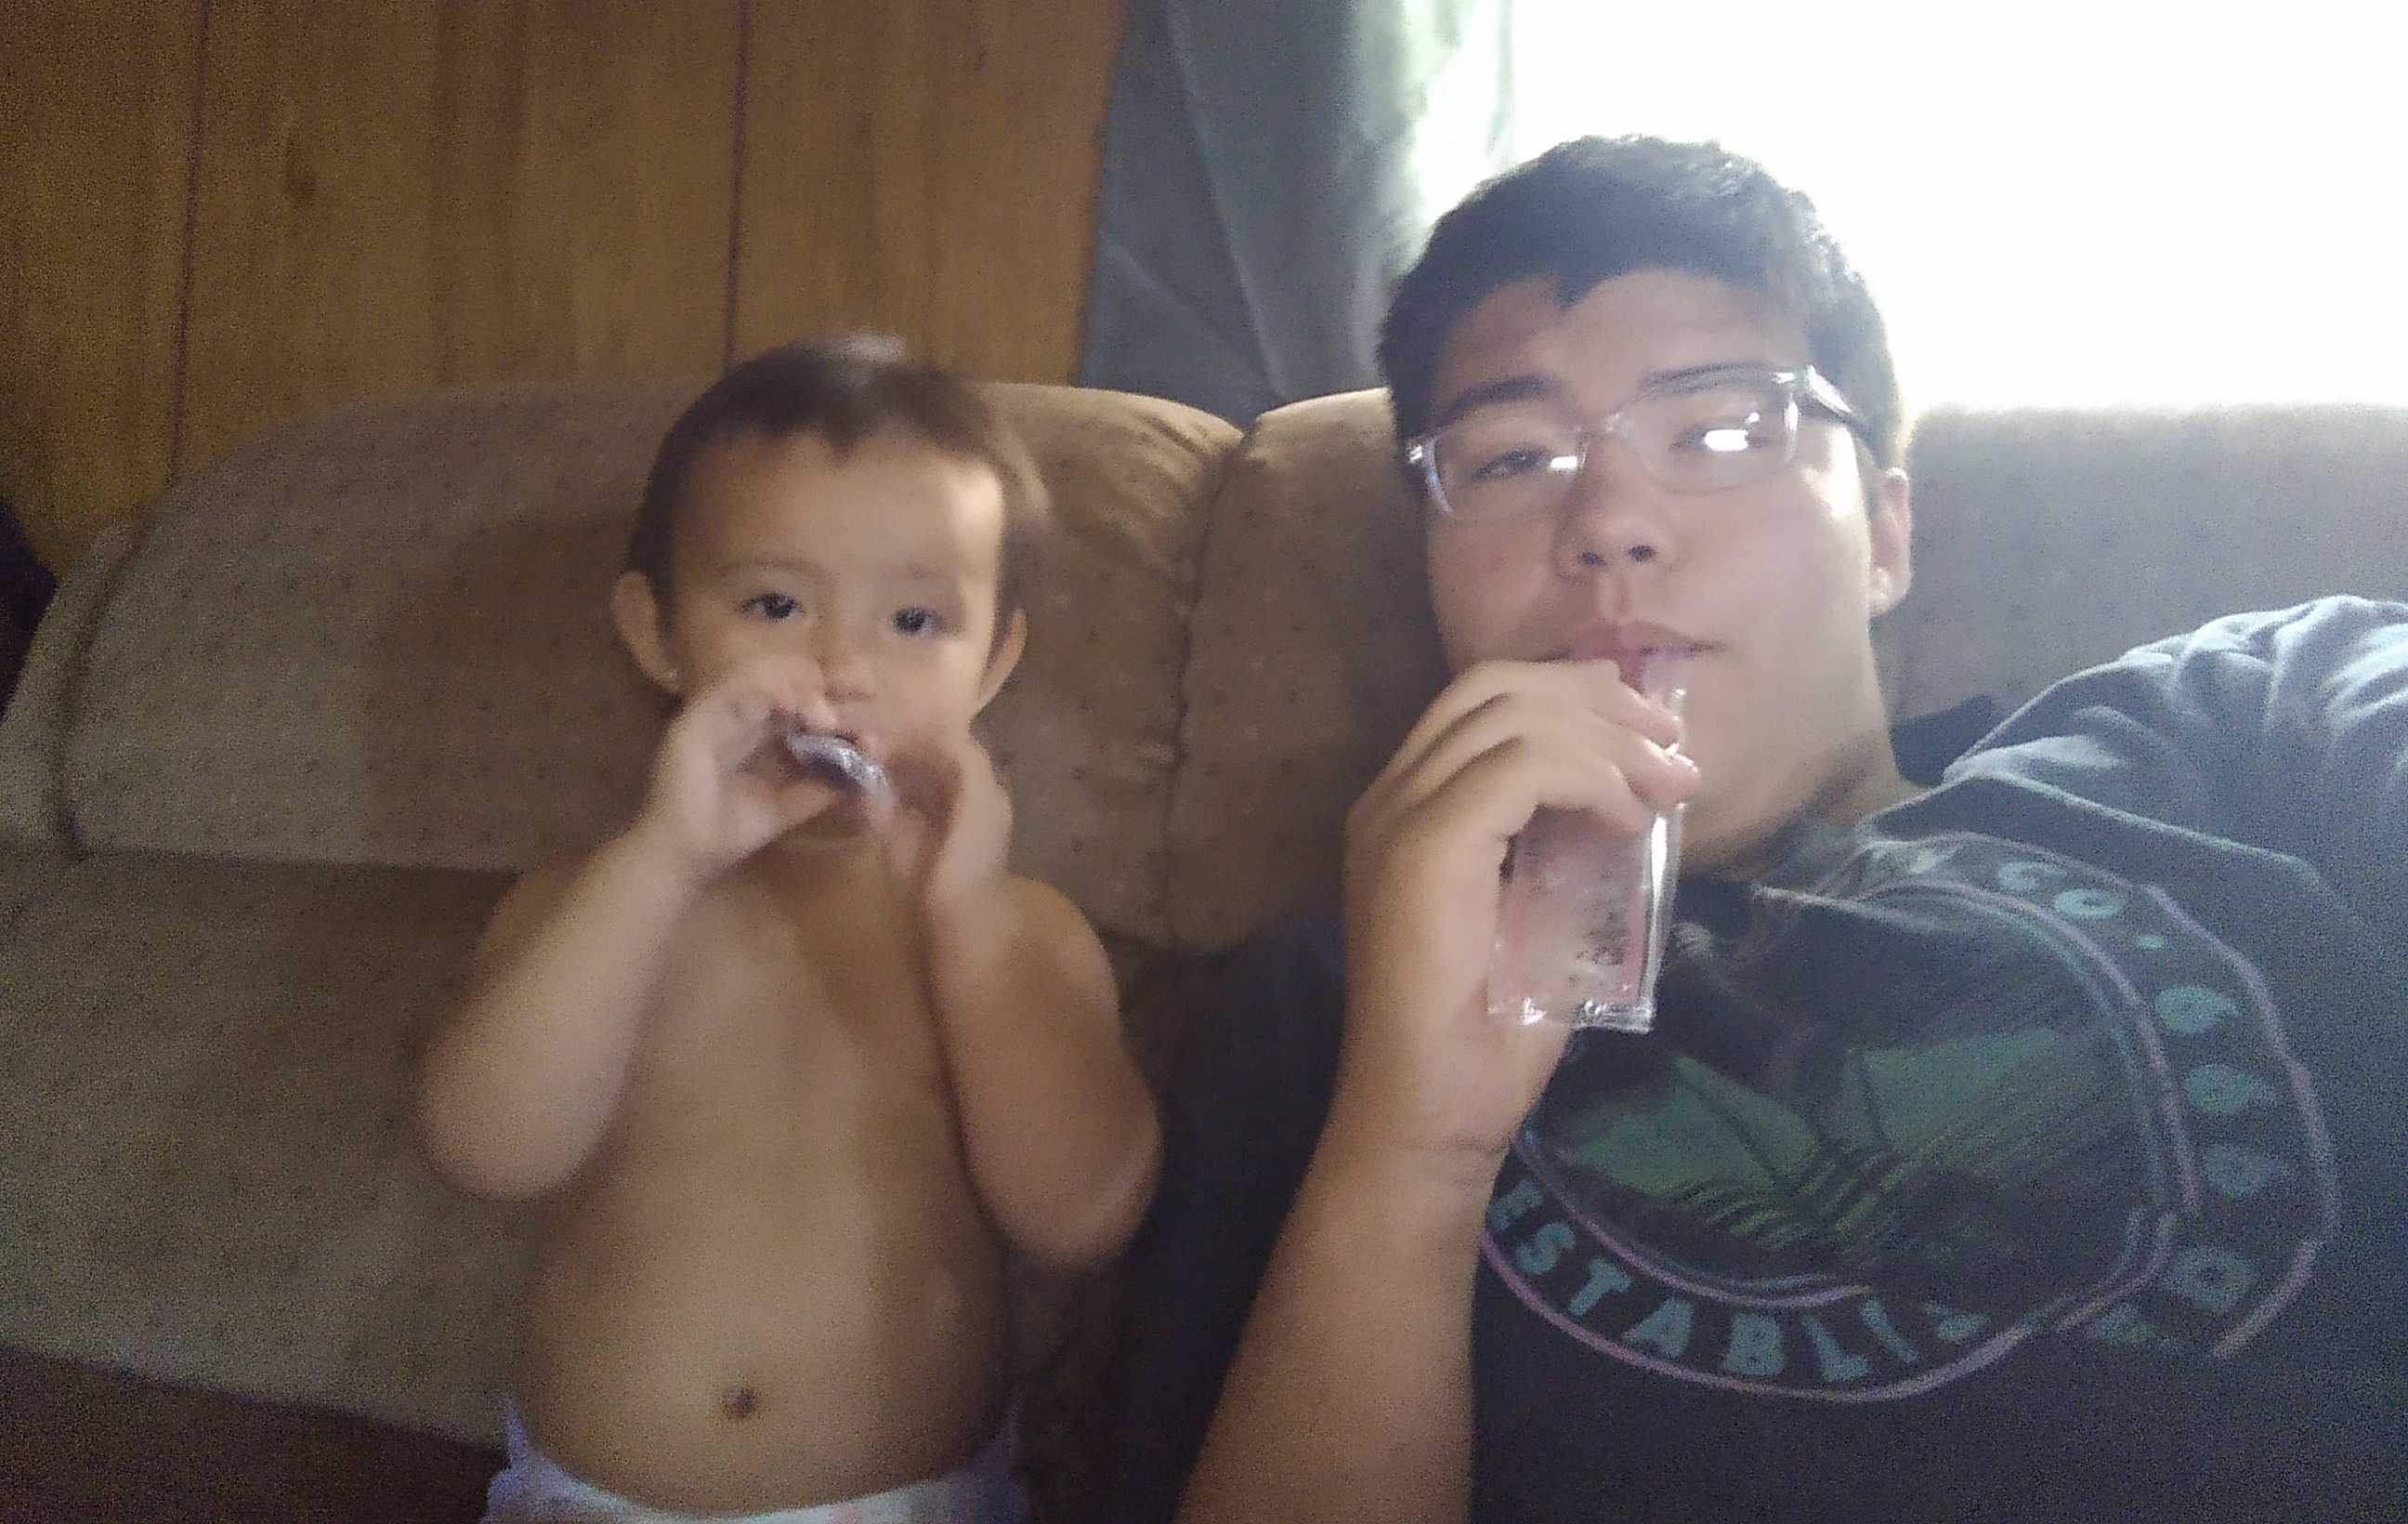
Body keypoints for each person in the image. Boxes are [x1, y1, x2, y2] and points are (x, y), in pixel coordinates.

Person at [1105, 136, 2407, 1521]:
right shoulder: (1334, 995)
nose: (1611, 523)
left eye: (1723, 432)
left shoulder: (2245, 717)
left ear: (1886, 534)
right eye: (1512, 457)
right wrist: (1412, 1148)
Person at [416, 337, 1161, 1524]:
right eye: (775, 604)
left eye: (914, 617)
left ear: (993, 662)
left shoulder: (1022, 932)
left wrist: (968, 920)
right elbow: (485, 1152)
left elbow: (1082, 1220)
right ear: (660, 633)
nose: (840, 666)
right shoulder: (589, 903)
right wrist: (661, 860)